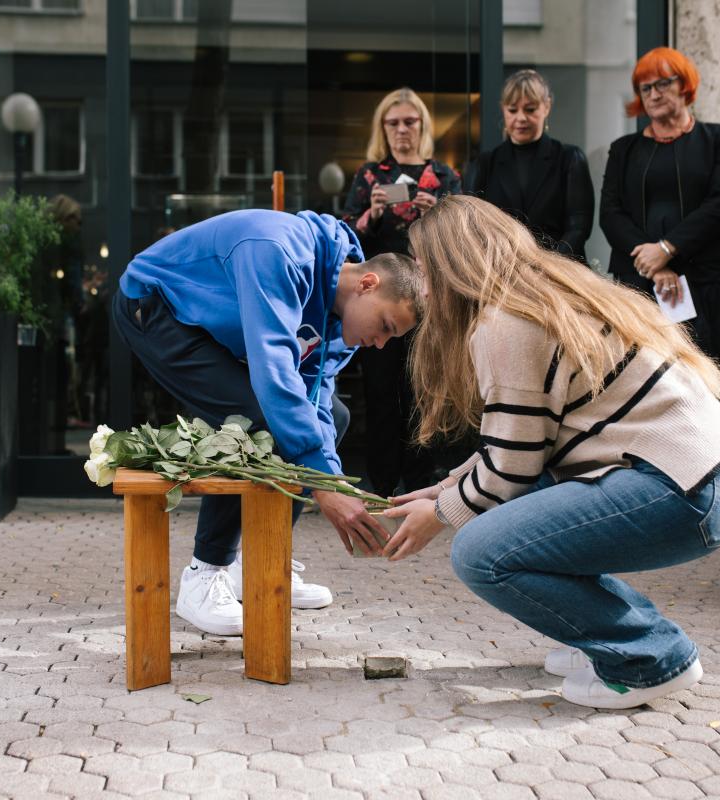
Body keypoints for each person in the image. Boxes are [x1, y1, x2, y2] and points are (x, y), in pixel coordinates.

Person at [382, 195, 720, 709]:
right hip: (708, 475)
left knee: (482, 553)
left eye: (422, 268)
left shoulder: (504, 326)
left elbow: (510, 469)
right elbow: (522, 440)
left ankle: (651, 659)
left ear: (449, 264)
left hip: (683, 488)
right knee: (517, 509)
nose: (421, 286)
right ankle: (597, 642)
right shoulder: (547, 295)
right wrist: (446, 487)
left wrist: (440, 515)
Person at [113, 208, 421, 636]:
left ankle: (259, 561)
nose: (381, 344)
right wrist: (322, 487)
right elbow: (273, 373)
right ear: (368, 285)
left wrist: (332, 482)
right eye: (386, 326)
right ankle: (204, 575)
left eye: (392, 338)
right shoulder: (278, 251)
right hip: (154, 304)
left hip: (209, 324)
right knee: (255, 421)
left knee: (335, 415)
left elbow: (315, 402)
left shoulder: (339, 321)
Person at [341, 87, 461, 499]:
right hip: (377, 302)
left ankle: (421, 483)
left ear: (423, 126)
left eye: (410, 121)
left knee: (424, 391)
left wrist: (437, 216)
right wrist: (370, 215)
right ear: (383, 128)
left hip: (429, 301)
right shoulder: (370, 175)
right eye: (393, 122)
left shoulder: (443, 176)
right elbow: (347, 239)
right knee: (380, 393)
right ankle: (381, 483)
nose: (402, 129)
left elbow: (462, 238)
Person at [600, 47, 720, 378]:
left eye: (663, 83)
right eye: (645, 87)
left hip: (706, 278)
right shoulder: (624, 149)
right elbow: (610, 213)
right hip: (640, 280)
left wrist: (667, 250)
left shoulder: (718, 139)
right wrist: (654, 264)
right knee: (642, 377)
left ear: (685, 85)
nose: (654, 94)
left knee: (711, 374)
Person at [463, 69, 594, 261]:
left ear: (546, 107)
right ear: (503, 109)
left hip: (560, 272)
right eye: (513, 110)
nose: (521, 118)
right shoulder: (484, 164)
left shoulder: (569, 158)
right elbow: (471, 225)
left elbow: (579, 226)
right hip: (501, 272)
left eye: (530, 109)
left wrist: (547, 266)